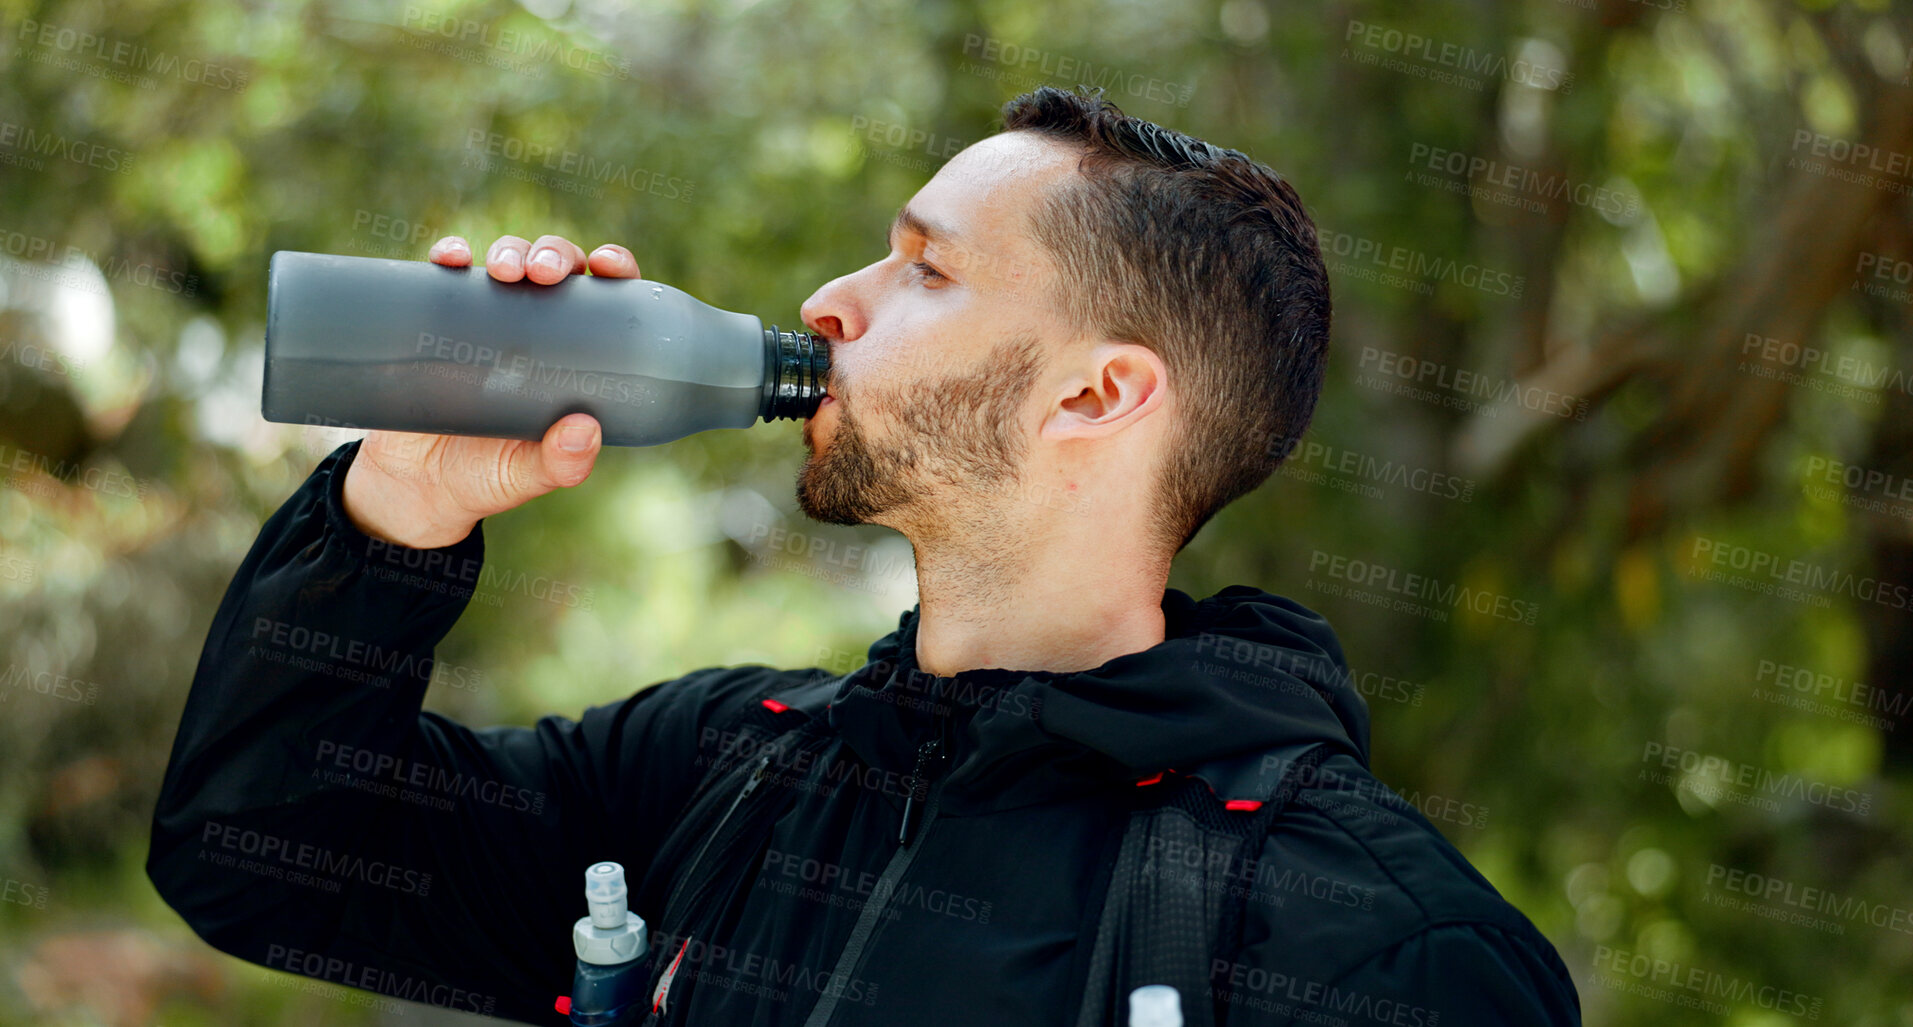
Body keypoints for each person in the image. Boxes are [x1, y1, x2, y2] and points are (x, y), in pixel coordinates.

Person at [148, 86, 1581, 1025]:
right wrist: (403, 502)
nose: (830, 299)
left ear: (1096, 394)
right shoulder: (713, 772)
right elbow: (263, 857)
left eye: (925, 268)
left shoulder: (1375, 950)